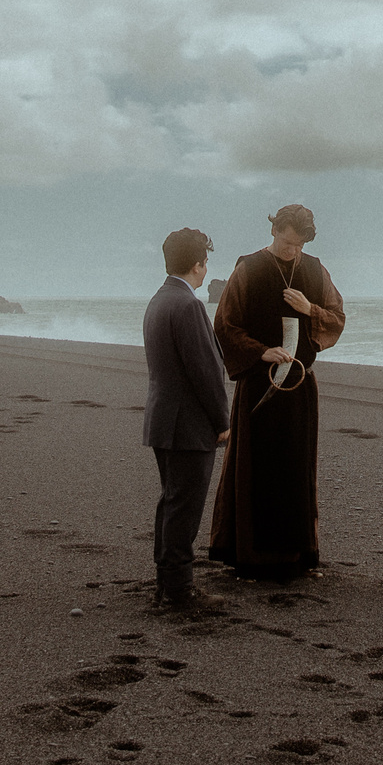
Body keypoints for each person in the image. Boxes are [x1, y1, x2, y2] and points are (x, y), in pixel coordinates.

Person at [207, 204, 345, 581]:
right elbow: (225, 324)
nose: (293, 251)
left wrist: (310, 308)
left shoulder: (315, 269)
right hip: (259, 385)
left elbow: (337, 318)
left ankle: (296, 556)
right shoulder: (249, 267)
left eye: (299, 245)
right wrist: (259, 351)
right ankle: (250, 557)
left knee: (296, 469)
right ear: (275, 231)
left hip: (299, 386)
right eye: (287, 243)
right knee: (254, 467)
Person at [141, 227, 230, 612]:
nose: (207, 269)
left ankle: (167, 582)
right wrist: (222, 420)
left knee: (171, 502)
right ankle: (178, 590)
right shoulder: (189, 306)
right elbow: (206, 371)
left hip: (162, 418)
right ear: (198, 265)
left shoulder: (158, 301)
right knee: (184, 507)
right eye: (206, 262)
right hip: (188, 424)